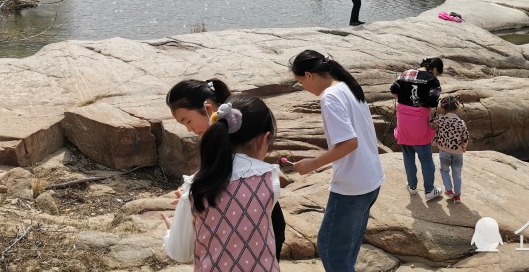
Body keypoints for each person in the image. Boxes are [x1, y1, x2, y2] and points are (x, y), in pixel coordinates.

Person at [164, 78, 286, 260]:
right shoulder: (267, 176)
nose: (189, 129)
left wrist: (191, 193)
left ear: (208, 109)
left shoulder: (234, 140)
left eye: (187, 120)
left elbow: (232, 169)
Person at [289, 50, 384, 271]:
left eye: (301, 82)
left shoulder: (330, 97)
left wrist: (313, 163)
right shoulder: (347, 87)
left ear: (309, 75)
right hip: (370, 179)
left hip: (352, 186)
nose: (304, 88)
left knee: (331, 250)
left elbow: (349, 143)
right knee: (347, 250)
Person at [390, 57, 444, 201]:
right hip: (419, 122)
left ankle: (412, 186)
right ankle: (429, 190)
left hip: (403, 121)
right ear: (435, 69)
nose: (436, 75)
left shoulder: (405, 74)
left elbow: (393, 90)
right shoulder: (432, 80)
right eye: (437, 73)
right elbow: (433, 101)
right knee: (426, 159)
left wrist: (405, 99)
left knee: (408, 156)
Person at [431, 96, 469, 204]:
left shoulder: (440, 119)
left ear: (442, 108)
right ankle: (457, 197)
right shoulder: (461, 122)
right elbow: (465, 136)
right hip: (458, 153)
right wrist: (464, 146)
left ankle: (448, 190)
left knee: (444, 170)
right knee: (457, 173)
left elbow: (432, 125)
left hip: (443, 151)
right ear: (457, 108)